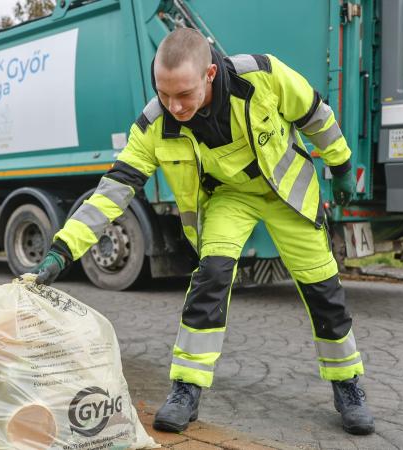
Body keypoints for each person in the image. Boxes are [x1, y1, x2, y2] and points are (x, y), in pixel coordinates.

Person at [31, 28, 374, 436]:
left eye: (184, 95)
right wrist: (64, 249)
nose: (174, 106)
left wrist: (339, 166)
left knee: (322, 288)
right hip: (230, 198)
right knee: (210, 278)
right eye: (164, 94)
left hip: (286, 191)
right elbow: (114, 189)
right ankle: (186, 389)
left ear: (210, 73)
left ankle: (347, 384)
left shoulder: (262, 76)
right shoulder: (156, 123)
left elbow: (315, 114)